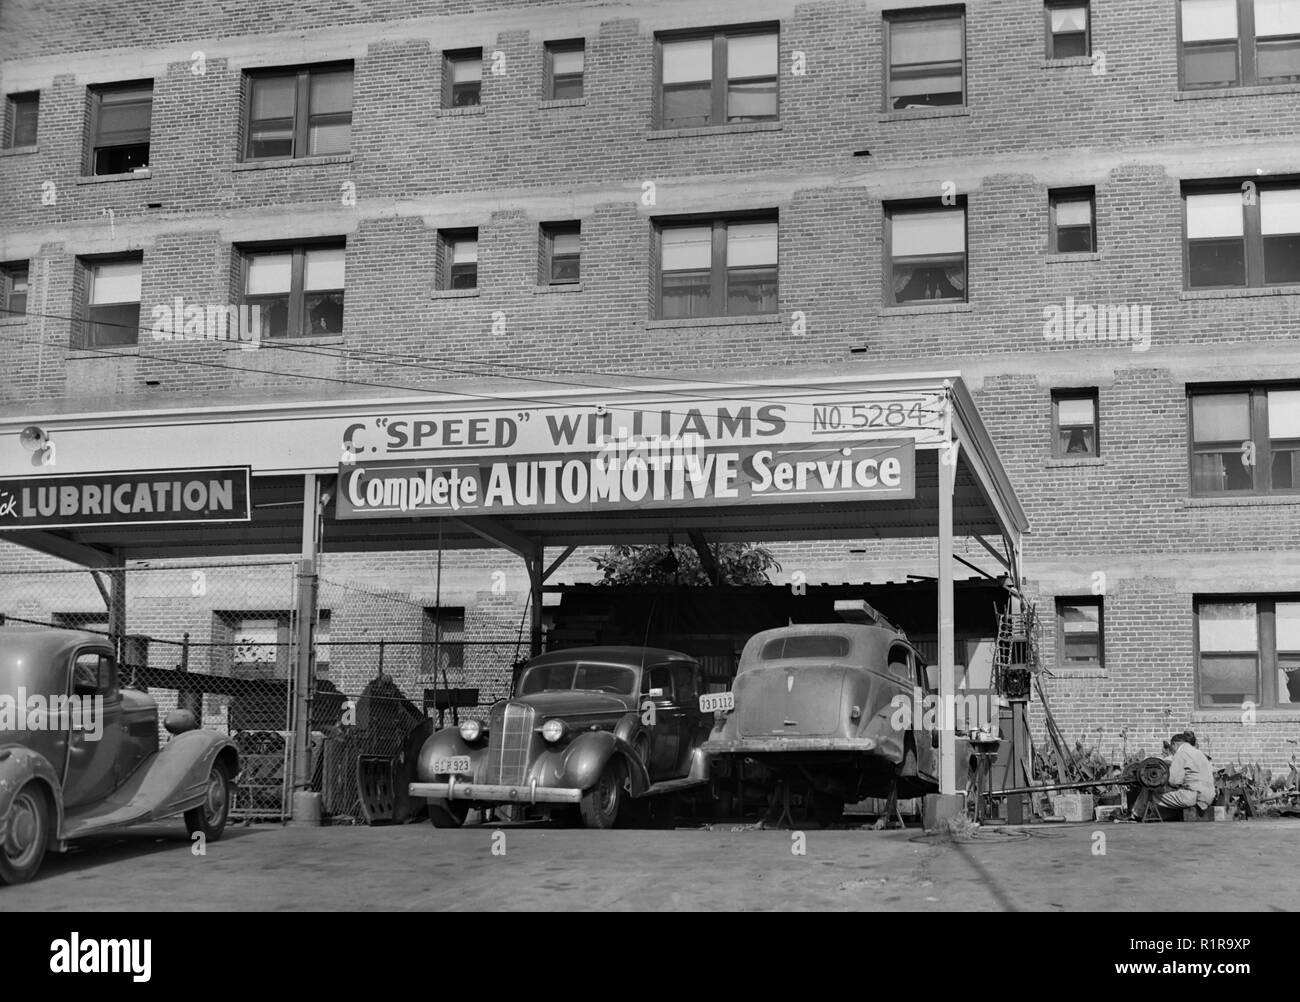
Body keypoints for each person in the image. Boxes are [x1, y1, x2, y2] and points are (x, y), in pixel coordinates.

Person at [1127, 733, 1216, 820]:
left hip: (1193, 796)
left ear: (1174, 744)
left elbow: (1174, 781)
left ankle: (1136, 815)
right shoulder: (1199, 753)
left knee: (1151, 791)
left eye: (1171, 748)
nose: (1171, 752)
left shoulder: (1181, 753)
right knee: (1172, 795)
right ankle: (1160, 816)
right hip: (1209, 796)